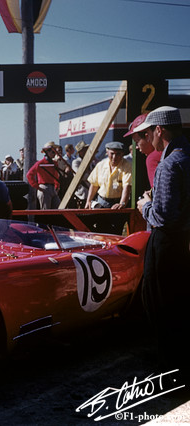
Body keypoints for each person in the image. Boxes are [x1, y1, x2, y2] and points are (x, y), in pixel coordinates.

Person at [135, 106, 190, 379]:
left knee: (160, 303)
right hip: (183, 242)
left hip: (166, 243)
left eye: (148, 132)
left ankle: (169, 367)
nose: (149, 138)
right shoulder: (187, 156)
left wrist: (146, 205)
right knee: (179, 302)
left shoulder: (169, 164)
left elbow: (163, 217)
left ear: (160, 130)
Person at [125, 112, 161, 188]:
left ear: (147, 137)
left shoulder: (152, 158)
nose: (137, 147)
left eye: (137, 142)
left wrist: (147, 199)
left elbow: (159, 196)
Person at [26, 142, 62, 209]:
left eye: (55, 152)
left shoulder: (54, 163)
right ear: (47, 152)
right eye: (53, 152)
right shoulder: (39, 163)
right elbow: (29, 175)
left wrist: (57, 186)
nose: (55, 154)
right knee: (46, 212)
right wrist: (37, 187)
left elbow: (56, 176)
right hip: (44, 188)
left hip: (53, 188)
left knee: (59, 209)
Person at [71, 141, 93, 209]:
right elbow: (80, 176)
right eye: (85, 149)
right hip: (82, 192)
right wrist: (91, 176)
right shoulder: (76, 162)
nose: (87, 150)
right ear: (80, 152)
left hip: (91, 190)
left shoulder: (90, 161)